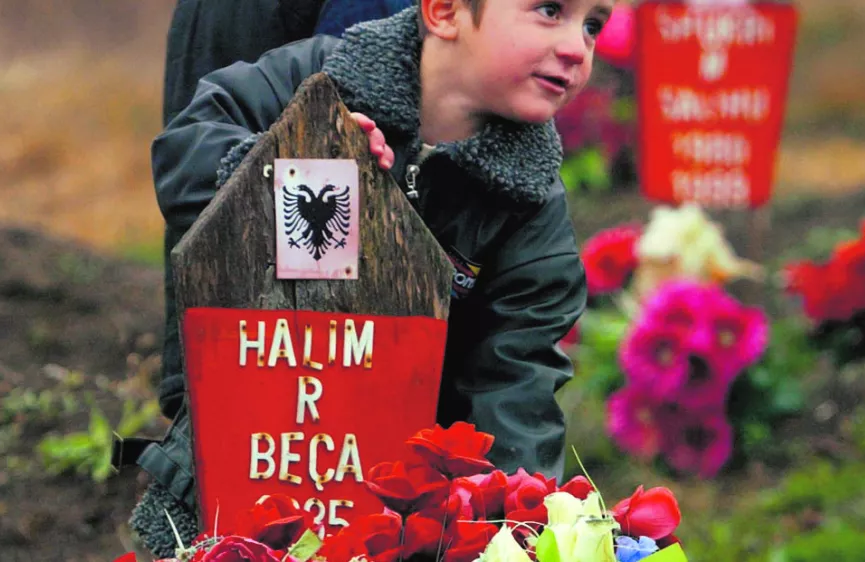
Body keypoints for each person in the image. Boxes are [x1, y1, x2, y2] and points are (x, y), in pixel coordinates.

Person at [129, 0, 603, 555]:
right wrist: (288, 161)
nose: (577, 47)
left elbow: (516, 377)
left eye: (594, 25)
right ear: (445, 11)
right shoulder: (316, 78)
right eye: (550, 11)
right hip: (242, 471)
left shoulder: (529, 202)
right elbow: (186, 149)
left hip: (398, 509)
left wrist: (506, 527)